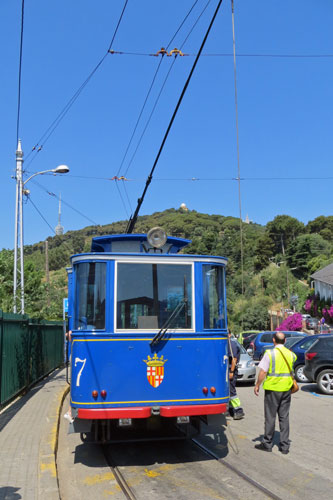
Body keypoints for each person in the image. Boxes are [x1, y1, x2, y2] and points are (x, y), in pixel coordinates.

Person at [254, 331, 297, 454]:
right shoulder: (291, 355)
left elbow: (263, 372)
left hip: (272, 390)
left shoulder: (270, 354)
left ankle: (267, 443)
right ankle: (284, 446)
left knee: (270, 417)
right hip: (286, 390)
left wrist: (257, 385)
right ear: (285, 341)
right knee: (284, 417)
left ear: (273, 340)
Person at [228, 330, 245, 420]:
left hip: (231, 370)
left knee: (232, 391)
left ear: (230, 334)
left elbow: (234, 359)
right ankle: (231, 410)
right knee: (229, 391)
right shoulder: (226, 343)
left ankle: (238, 411)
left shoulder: (232, 344)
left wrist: (231, 371)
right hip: (228, 370)